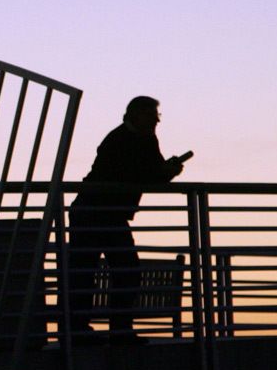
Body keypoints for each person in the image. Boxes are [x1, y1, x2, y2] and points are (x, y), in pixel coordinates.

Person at [66, 96, 192, 343]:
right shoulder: (119, 139)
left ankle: (111, 330)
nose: (156, 121)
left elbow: (149, 173)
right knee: (89, 272)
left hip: (107, 213)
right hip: (95, 212)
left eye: (157, 117)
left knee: (119, 271)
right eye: (152, 115)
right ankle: (86, 330)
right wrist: (167, 172)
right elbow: (142, 173)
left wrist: (166, 172)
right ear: (136, 114)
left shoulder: (143, 138)